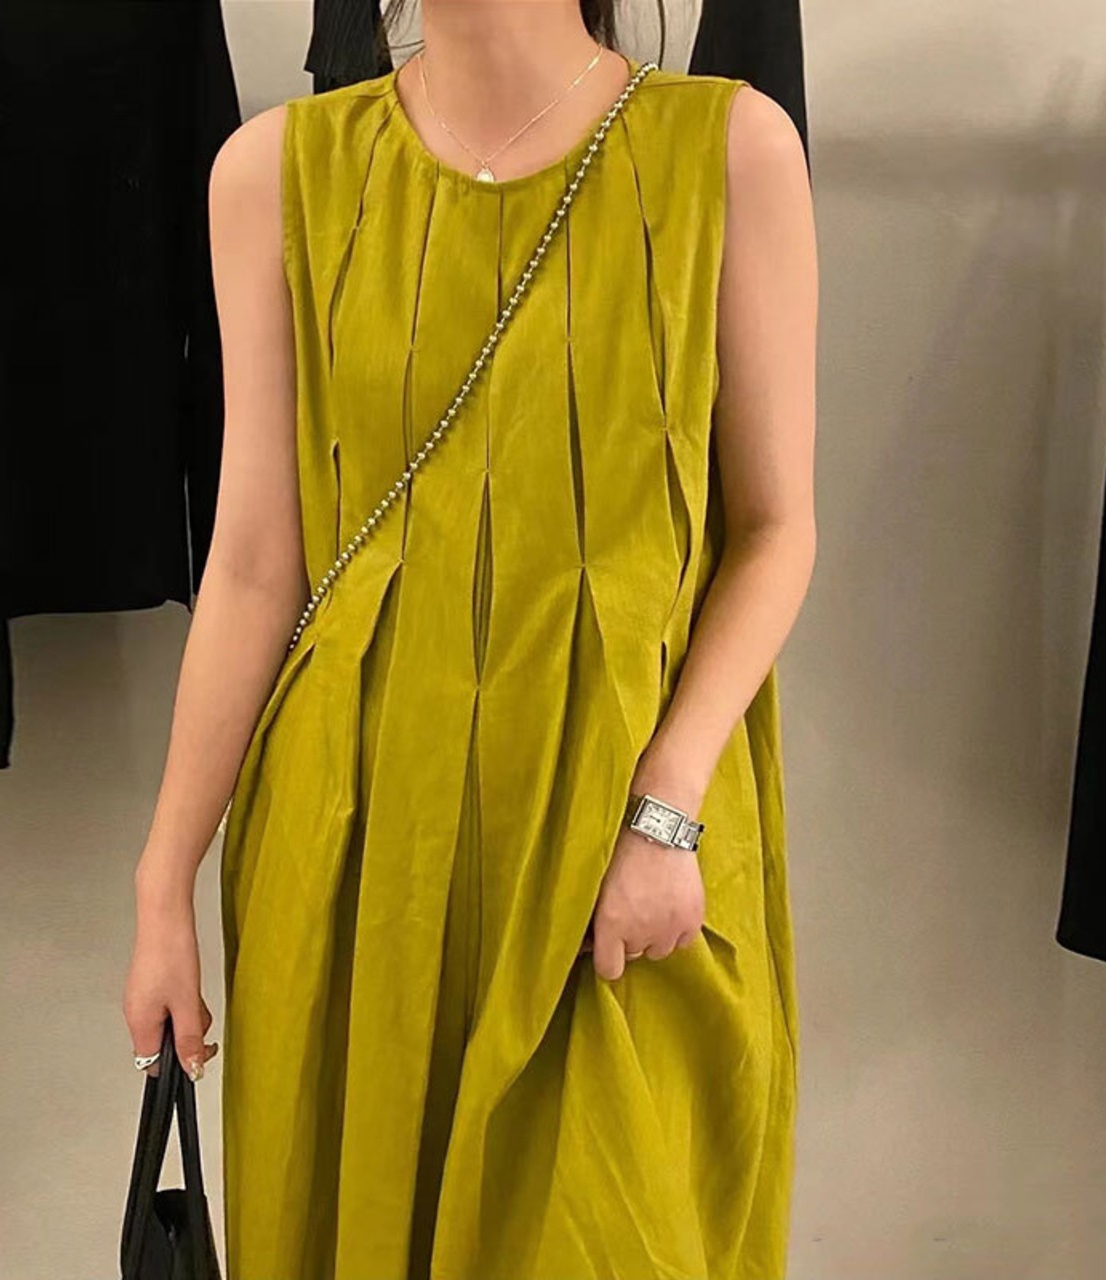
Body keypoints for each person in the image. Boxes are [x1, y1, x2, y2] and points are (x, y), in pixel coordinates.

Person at [123, 1, 818, 1275]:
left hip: (617, 827)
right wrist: (163, 879)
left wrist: (666, 810)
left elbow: (775, 529)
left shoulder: (728, 150)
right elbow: (254, 562)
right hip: (353, 843)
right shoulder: (272, 174)